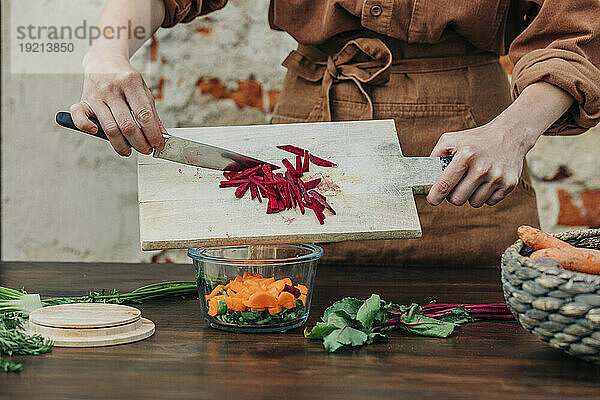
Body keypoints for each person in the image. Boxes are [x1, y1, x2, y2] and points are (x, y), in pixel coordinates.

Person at [70, 0, 600, 267]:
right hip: (311, 124)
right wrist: (106, 53)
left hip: (470, 141)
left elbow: (580, 23)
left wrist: (511, 134)